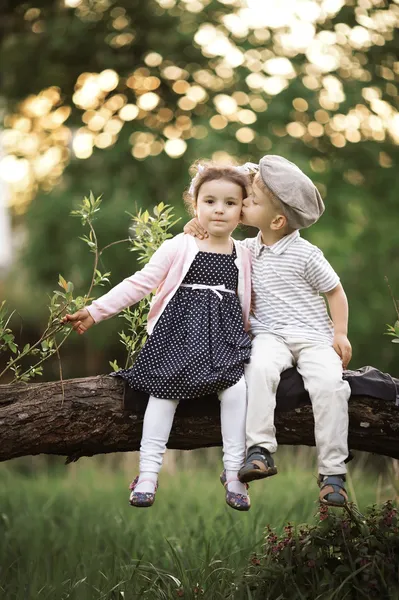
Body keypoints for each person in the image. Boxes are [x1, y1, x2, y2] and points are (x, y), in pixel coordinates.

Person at [62, 162, 253, 511]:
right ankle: (148, 473)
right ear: (195, 206)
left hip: (223, 342)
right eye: (209, 201)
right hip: (177, 338)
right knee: (164, 394)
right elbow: (140, 283)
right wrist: (95, 311)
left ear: (243, 210)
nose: (219, 210)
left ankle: (234, 472)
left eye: (230, 203)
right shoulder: (179, 245)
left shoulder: (245, 253)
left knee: (237, 389)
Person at [184, 155, 352, 507]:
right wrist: (192, 227)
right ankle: (259, 449)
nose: (243, 203)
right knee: (257, 369)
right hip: (269, 336)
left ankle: (332, 472)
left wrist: (340, 334)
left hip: (313, 337)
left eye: (252, 201)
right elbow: (211, 241)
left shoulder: (306, 255)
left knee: (330, 385)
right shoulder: (246, 249)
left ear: (277, 219)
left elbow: (335, 291)